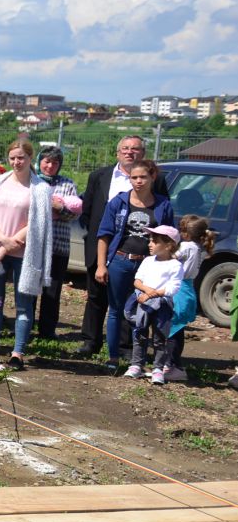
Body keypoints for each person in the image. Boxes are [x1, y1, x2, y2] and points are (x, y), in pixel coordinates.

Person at [79, 136, 164, 356]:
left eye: (135, 149)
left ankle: (124, 346)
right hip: (101, 245)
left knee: (128, 299)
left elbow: (162, 214)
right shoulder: (99, 176)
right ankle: (91, 341)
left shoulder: (154, 180)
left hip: (135, 250)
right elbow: (87, 211)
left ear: (142, 154)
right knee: (96, 297)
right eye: (125, 149)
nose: (129, 152)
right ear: (118, 153)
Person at [0, 139, 53, 371]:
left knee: (23, 305)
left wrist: (6, 246)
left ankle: (18, 352)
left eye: (21, 158)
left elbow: (36, 224)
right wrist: (0, 241)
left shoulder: (40, 189)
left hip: (23, 254)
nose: (17, 162)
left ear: (31, 159)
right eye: (13, 158)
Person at [96, 159, 175, 368]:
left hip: (150, 266)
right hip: (121, 261)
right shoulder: (118, 202)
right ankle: (113, 357)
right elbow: (104, 234)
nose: (138, 181)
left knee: (145, 310)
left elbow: (169, 238)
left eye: (143, 177)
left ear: (152, 177)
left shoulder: (163, 205)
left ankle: (137, 360)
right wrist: (101, 265)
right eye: (134, 177)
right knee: (115, 309)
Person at [34, 147, 83, 341]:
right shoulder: (32, 181)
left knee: (53, 289)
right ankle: (26, 326)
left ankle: (47, 330)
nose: (50, 166)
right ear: (39, 162)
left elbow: (75, 212)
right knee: (30, 286)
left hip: (58, 245)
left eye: (55, 163)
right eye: (46, 161)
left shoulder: (67, 184)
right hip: (34, 244)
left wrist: (59, 207)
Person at [124, 226, 184, 383]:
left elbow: (173, 287)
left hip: (162, 306)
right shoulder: (148, 260)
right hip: (143, 303)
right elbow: (137, 280)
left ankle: (158, 368)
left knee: (160, 336)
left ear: (169, 245)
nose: (150, 243)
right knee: (139, 333)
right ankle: (136, 365)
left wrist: (152, 294)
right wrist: (146, 291)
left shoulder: (175, 265)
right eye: (150, 240)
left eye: (155, 241)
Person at [165, 215, 218, 383]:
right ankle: (174, 365)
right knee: (177, 330)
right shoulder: (198, 247)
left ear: (186, 233)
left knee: (171, 329)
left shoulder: (186, 246)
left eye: (181, 229)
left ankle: (173, 366)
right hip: (188, 290)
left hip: (179, 290)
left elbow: (170, 259)